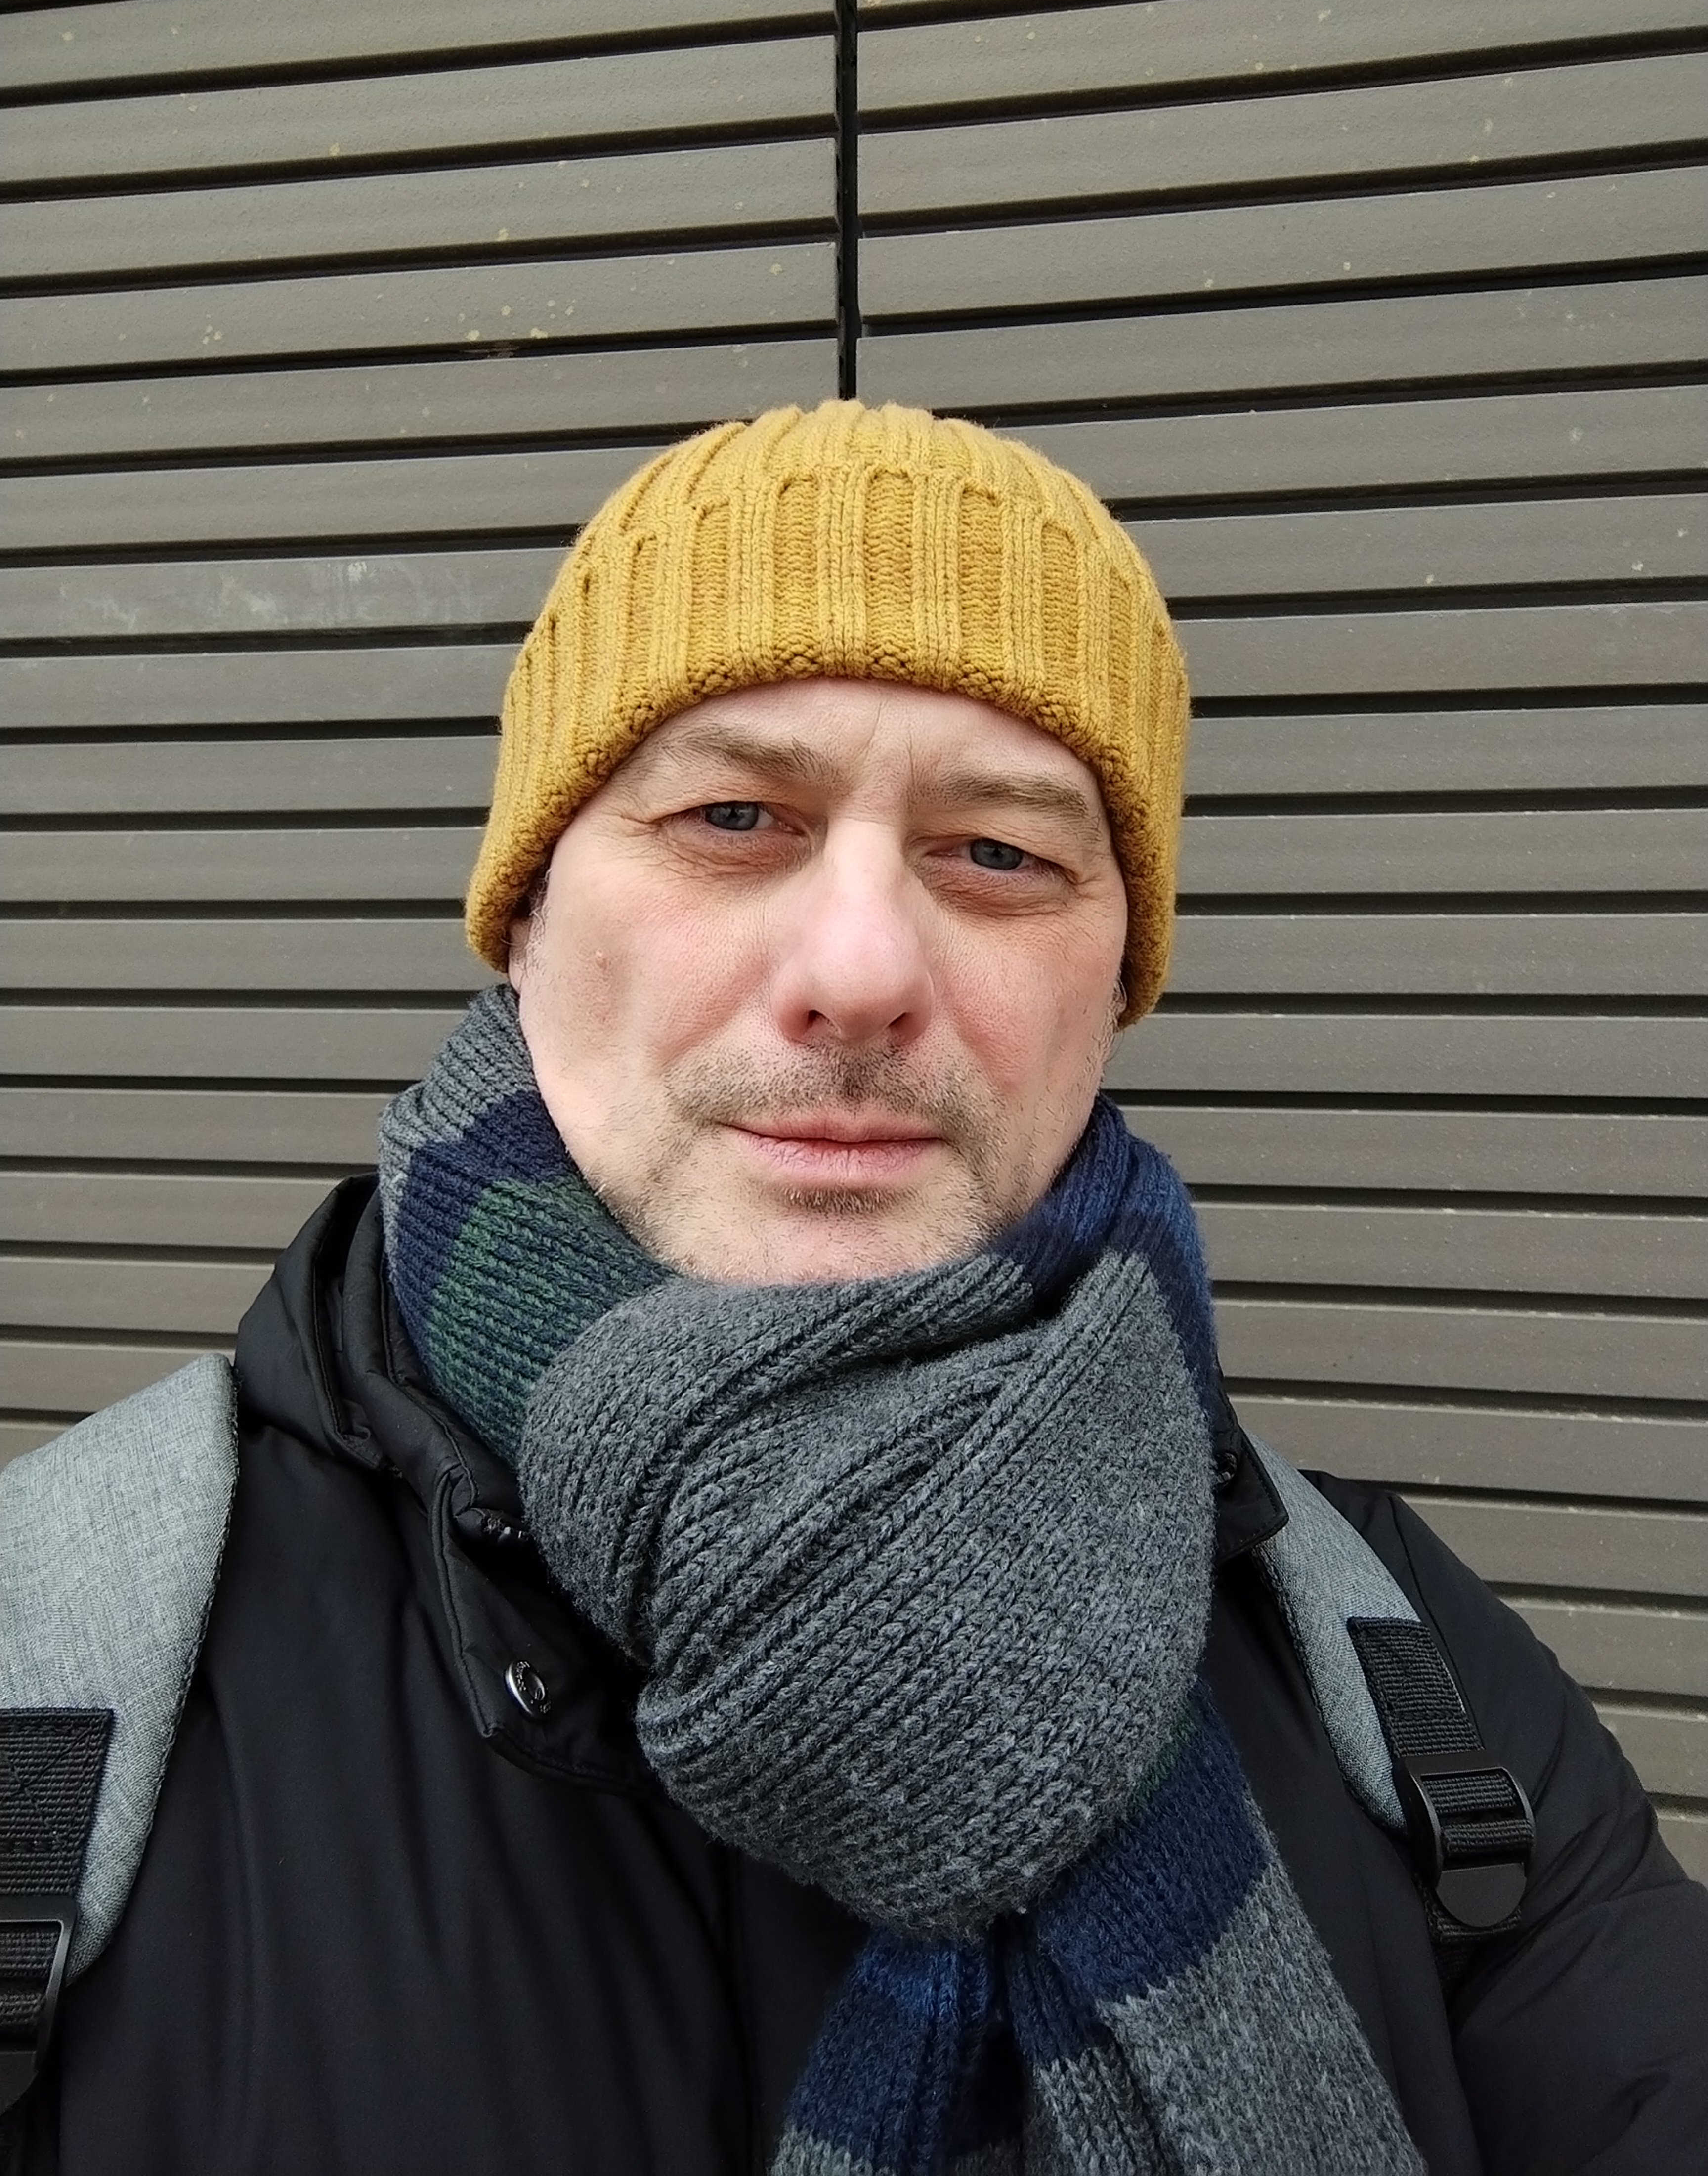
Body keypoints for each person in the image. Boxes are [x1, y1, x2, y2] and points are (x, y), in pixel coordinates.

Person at [2, 402, 1704, 2176]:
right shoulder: (57, 1679)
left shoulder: (1398, 1673)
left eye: (1001, 854)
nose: (864, 965)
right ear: (526, 912)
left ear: (1117, 977)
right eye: (734, 816)